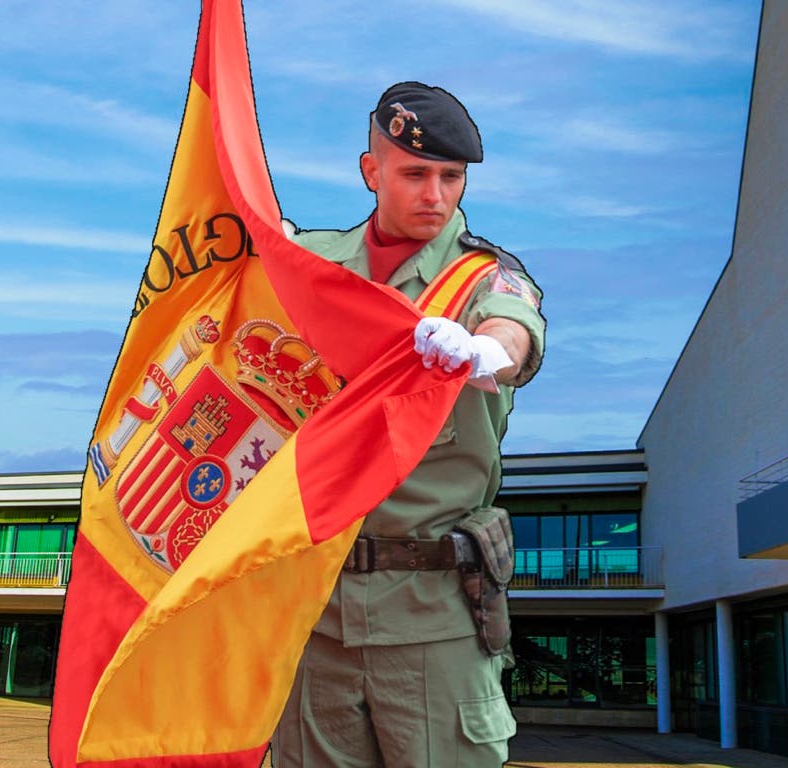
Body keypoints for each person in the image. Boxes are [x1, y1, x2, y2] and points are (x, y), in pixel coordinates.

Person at [271, 81, 546, 768]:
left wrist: (490, 353)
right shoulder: (310, 266)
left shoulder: (483, 278)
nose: (436, 195)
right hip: (312, 611)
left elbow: (512, 329)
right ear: (372, 171)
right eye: (415, 173)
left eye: (451, 176)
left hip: (433, 617)